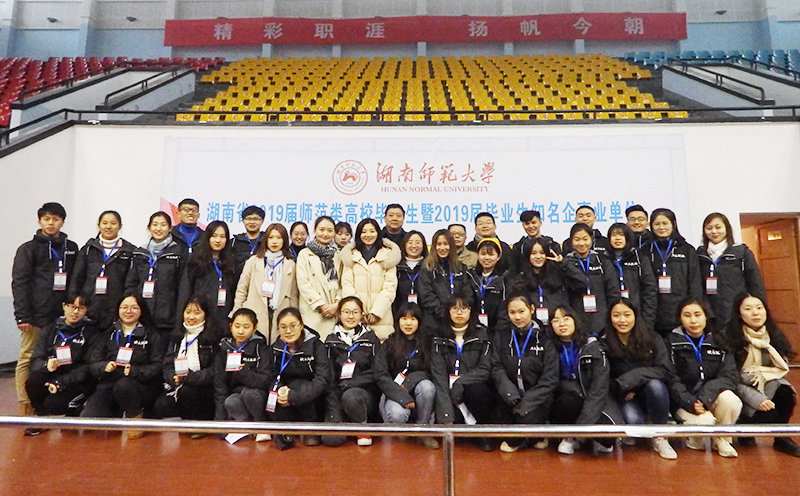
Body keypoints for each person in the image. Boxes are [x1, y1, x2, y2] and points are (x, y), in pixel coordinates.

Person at [12, 202, 79, 415]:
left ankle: (51, 400)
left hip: (62, 315)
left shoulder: (71, 248)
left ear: (62, 222)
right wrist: (22, 315)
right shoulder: (28, 249)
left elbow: (75, 280)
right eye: (47, 219)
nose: (51, 223)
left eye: (56, 219)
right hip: (35, 316)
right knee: (28, 357)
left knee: (62, 357)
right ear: (39, 221)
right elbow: (20, 283)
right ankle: (26, 404)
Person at [81, 292, 167, 440]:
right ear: (118, 310)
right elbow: (93, 364)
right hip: (109, 383)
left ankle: (135, 416)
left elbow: (158, 366)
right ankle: (115, 410)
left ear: (141, 311)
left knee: (124, 386)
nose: (128, 311)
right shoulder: (107, 333)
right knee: (89, 420)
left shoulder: (152, 335)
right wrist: (104, 366)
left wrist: (135, 371)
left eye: (134, 307)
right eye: (124, 307)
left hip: (139, 384)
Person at [666, 298, 741, 458]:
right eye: (687, 315)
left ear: (706, 317)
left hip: (709, 397)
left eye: (698, 314)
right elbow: (670, 379)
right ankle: (694, 441)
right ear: (680, 318)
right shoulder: (671, 343)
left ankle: (721, 439)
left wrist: (705, 397)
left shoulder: (720, 341)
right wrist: (690, 402)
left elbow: (730, 376)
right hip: (684, 401)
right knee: (704, 422)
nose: (693, 320)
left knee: (731, 400)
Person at [726, 294, 800, 457]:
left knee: (786, 393)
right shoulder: (730, 339)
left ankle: (782, 438)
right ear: (739, 314)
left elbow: (779, 369)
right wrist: (757, 399)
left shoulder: (772, 336)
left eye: (759, 308)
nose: (755, 313)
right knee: (758, 409)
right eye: (748, 309)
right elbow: (731, 378)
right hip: (739, 389)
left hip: (766, 385)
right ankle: (744, 429)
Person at [602, 298, 676, 459]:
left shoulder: (652, 338)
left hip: (650, 391)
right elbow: (605, 379)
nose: (622, 320)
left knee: (656, 386)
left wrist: (631, 379)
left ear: (635, 316)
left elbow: (665, 371)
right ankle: (644, 421)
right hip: (624, 396)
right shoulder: (604, 342)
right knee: (633, 422)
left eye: (627, 315)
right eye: (616, 315)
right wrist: (622, 390)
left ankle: (660, 436)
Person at [549, 306, 622, 455]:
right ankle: (569, 437)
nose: (561, 324)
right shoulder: (549, 347)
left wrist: (581, 431)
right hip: (568, 400)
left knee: (608, 439)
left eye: (566, 319)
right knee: (566, 400)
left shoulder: (593, 347)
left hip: (594, 400)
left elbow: (598, 391)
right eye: (555, 320)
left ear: (575, 321)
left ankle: (579, 435)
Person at [492, 294, 559, 453]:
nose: (517, 317)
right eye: (512, 312)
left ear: (532, 309)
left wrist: (526, 403)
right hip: (510, 396)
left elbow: (550, 378)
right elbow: (496, 366)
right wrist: (510, 393)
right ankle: (530, 436)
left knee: (518, 432)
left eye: (521, 311)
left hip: (536, 398)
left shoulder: (545, 337)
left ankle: (534, 435)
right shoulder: (502, 335)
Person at [24, 294, 97, 435]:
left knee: (54, 405)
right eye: (72, 307)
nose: (75, 312)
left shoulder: (91, 333)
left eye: (81, 308)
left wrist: (61, 382)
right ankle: (42, 417)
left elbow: (88, 367)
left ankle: (75, 409)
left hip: (75, 380)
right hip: (52, 375)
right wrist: (47, 365)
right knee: (33, 381)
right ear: (64, 307)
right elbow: (35, 360)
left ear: (86, 310)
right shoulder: (50, 329)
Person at [430, 295, 495, 451]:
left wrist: (460, 383)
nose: (459, 313)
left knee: (478, 391)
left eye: (464, 308)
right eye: (454, 308)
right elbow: (439, 376)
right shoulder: (438, 337)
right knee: (455, 424)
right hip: (448, 392)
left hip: (470, 388)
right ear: (448, 311)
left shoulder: (482, 335)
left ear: (471, 311)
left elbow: (485, 368)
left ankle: (483, 432)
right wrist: (447, 416)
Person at [374, 302, 439, 449]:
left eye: (413, 319)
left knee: (427, 387)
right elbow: (380, 375)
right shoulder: (389, 343)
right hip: (396, 391)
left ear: (419, 321)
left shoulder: (428, 343)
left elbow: (433, 371)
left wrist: (410, 382)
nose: (408, 323)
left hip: (419, 388)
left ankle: (423, 430)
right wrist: (402, 396)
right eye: (404, 318)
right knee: (396, 414)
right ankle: (404, 430)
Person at [265, 307, 330, 450]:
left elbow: (322, 380)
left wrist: (294, 396)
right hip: (286, 394)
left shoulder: (316, 346)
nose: (288, 331)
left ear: (301, 325)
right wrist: (280, 390)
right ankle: (284, 431)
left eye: (293, 326)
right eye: (283, 327)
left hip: (312, 396)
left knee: (302, 386)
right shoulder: (275, 349)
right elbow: (271, 376)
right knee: (269, 397)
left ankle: (310, 429)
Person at [154, 297, 222, 429]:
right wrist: (173, 377)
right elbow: (167, 365)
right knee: (160, 405)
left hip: (204, 386)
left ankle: (197, 425)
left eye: (197, 313)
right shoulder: (177, 336)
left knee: (187, 392)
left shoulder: (214, 337)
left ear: (206, 315)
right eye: (188, 312)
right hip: (178, 384)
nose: (191, 317)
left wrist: (191, 377)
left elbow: (215, 371)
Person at [323, 297, 382, 447]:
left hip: (364, 394)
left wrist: (350, 384)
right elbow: (329, 377)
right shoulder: (331, 341)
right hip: (338, 394)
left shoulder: (371, 339)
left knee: (352, 397)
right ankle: (346, 420)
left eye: (355, 312)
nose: (351, 316)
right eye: (346, 312)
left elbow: (377, 372)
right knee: (331, 440)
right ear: (339, 315)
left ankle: (362, 427)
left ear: (361, 315)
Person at [697, 212, 766, 327]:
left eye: (718, 227)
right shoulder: (700, 254)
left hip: (736, 308)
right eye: (709, 228)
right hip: (710, 310)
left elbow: (755, 281)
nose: (714, 231)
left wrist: (759, 308)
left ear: (727, 228)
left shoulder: (741, 252)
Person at [69, 210, 136, 330]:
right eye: (105, 223)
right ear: (98, 225)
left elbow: (131, 281)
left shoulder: (129, 251)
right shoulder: (88, 249)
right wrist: (75, 300)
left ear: (120, 226)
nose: (108, 227)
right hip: (89, 307)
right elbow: (77, 277)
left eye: (113, 223)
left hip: (115, 309)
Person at [233, 223, 298, 342]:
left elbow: (293, 294)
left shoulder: (290, 264)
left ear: (284, 240)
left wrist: (294, 316)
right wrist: (237, 312)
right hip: (255, 310)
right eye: (271, 237)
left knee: (277, 344)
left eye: (279, 238)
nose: (274, 241)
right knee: (257, 344)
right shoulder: (253, 261)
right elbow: (242, 289)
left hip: (280, 311)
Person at [643, 208, 703, 336]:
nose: (661, 227)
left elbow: (694, 282)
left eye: (665, 223)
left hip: (681, 311)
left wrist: (692, 310)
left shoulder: (687, 249)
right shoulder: (644, 251)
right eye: (657, 224)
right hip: (654, 314)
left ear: (673, 224)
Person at [340, 218, 401, 340]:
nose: (368, 235)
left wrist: (376, 312)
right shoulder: (350, 255)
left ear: (378, 233)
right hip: (356, 318)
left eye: (372, 231)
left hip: (382, 318)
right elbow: (347, 285)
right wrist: (358, 311)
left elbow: (390, 287)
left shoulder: (387, 255)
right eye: (364, 232)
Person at [214, 308, 270, 438]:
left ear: (254, 328)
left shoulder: (261, 349)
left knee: (250, 394)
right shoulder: (223, 349)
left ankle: (261, 425)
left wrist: (244, 373)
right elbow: (220, 386)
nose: (240, 331)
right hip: (236, 395)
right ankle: (245, 427)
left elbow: (266, 380)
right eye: (237, 326)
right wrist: (220, 423)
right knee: (231, 401)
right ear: (231, 326)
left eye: (246, 327)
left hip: (257, 395)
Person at [125, 211, 184, 334]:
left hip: (167, 318)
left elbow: (182, 287)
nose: (158, 228)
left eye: (163, 225)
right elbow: (131, 283)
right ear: (149, 227)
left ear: (170, 228)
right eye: (155, 224)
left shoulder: (178, 253)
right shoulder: (140, 253)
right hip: (142, 317)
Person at [562, 223, 620, 334]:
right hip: (577, 317)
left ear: (591, 240)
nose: (581, 243)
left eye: (585, 239)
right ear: (571, 241)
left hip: (602, 319)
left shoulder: (602, 261)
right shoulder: (566, 264)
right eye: (577, 239)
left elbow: (613, 292)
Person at [178, 220, 236, 325]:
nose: (218, 240)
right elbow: (185, 291)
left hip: (223, 316)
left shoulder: (231, 262)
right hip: (200, 315)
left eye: (222, 236)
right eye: (214, 236)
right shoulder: (195, 261)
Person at [295, 216, 341, 339]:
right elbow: (303, 283)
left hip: (334, 312)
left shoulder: (339, 255)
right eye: (321, 230)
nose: (325, 234)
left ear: (334, 233)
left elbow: (343, 282)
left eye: (329, 230)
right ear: (314, 231)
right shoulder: (304, 254)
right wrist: (321, 305)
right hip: (313, 311)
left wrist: (337, 304)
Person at [418, 229, 476, 326]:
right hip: (434, 322)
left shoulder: (460, 267)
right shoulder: (427, 268)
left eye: (446, 244)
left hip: (459, 319)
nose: (442, 248)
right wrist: (445, 314)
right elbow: (426, 296)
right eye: (439, 244)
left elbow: (467, 293)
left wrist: (457, 312)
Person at [607, 223, 658, 331]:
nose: (617, 238)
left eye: (621, 235)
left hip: (637, 313)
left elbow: (649, 289)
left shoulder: (639, 258)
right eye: (614, 235)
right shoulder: (604, 259)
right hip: (611, 315)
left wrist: (647, 320)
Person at [508, 237, 567, 329]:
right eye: (533, 253)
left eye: (542, 253)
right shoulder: (520, 280)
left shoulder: (558, 277)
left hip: (556, 327)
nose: (538, 256)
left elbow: (582, 282)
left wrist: (562, 263)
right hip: (531, 329)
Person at [470, 238, 509, 333]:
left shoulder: (505, 278)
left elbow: (504, 309)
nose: (486, 258)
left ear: (498, 256)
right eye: (483, 254)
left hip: (497, 328)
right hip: (473, 328)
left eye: (491, 254)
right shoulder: (470, 276)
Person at [393, 230, 428, 318]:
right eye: (410, 242)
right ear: (404, 245)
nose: (414, 245)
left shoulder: (429, 266)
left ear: (423, 246)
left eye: (418, 242)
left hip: (425, 314)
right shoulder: (396, 266)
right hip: (399, 313)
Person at [230, 205, 265, 273]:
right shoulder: (234, 242)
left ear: (262, 221)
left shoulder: (267, 240)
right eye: (248, 219)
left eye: (256, 219)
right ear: (243, 221)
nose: (252, 222)